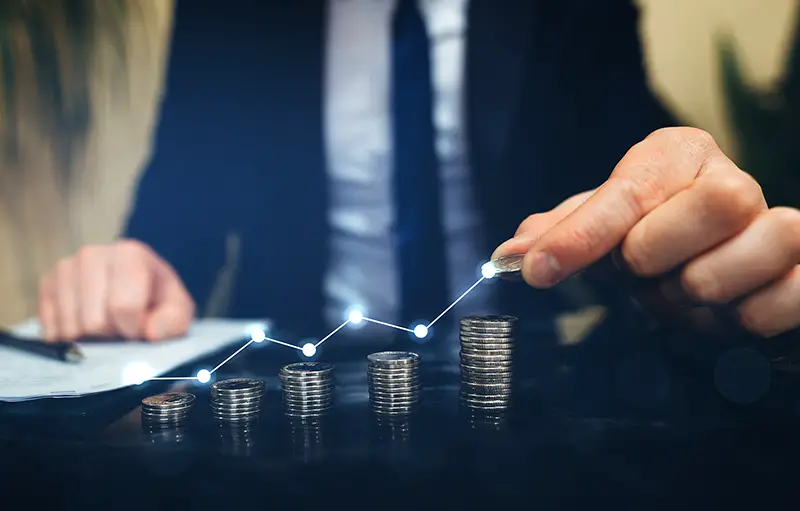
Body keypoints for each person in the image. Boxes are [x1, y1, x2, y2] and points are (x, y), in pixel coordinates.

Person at [36, 0, 800, 347]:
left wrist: (684, 210)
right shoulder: (231, 13)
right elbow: (175, 229)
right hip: (296, 399)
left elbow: (638, 171)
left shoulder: (575, 10)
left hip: (522, 400)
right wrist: (130, 268)